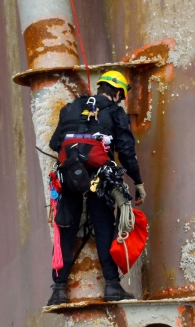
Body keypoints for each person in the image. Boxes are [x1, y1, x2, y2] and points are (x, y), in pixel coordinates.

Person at [47, 70, 146, 306]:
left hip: (70, 174)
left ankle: (58, 290)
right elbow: (126, 151)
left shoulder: (70, 108)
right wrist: (138, 182)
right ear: (119, 92)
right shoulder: (114, 112)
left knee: (66, 227)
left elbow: (54, 143)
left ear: (101, 87)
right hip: (100, 178)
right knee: (103, 225)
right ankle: (112, 286)